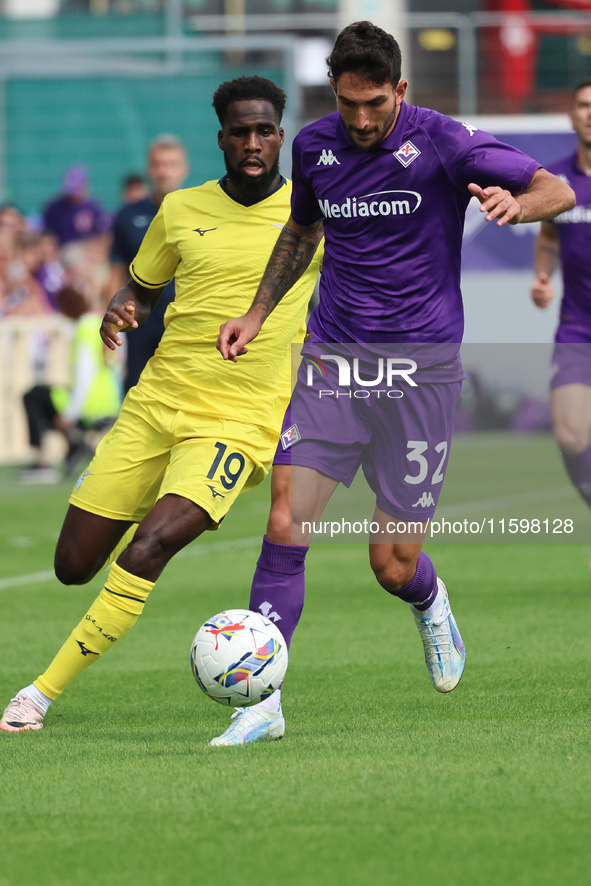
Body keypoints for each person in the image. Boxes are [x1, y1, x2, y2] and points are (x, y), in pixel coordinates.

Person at [216, 21, 575, 746]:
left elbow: (555, 187)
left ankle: (430, 600)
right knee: (286, 520)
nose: (358, 119)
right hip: (333, 360)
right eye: (346, 104)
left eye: (373, 103)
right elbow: (301, 232)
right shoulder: (314, 147)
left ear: (399, 90)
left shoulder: (443, 139)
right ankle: (261, 701)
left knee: (391, 563)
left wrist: (517, 205)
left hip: (420, 373)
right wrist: (257, 312)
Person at [0, 76, 322, 735]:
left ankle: (37, 696)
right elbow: (142, 288)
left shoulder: (310, 216)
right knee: (72, 566)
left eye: (265, 131)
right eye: (240, 132)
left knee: (147, 549)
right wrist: (124, 308)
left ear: (281, 136)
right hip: (156, 406)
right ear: (222, 139)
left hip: (237, 424)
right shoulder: (180, 210)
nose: (253, 143)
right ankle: (156, 489)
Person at [530, 79, 591, 518]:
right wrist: (542, 277)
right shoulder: (557, 180)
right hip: (577, 328)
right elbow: (549, 236)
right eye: (584, 106)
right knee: (571, 435)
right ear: (571, 115)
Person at [108, 136, 189, 391]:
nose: (164, 171)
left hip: (187, 324)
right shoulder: (128, 215)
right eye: (158, 164)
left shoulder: (199, 212)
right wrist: (110, 324)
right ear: (149, 169)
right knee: (136, 395)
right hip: (139, 322)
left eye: (171, 164)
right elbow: (116, 273)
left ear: (184, 169)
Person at [20, 285, 122, 484]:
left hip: (90, 404)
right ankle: (71, 446)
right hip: (110, 400)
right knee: (45, 395)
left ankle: (42, 461)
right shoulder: (100, 324)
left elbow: (85, 376)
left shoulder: (84, 329)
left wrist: (69, 414)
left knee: (33, 396)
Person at [43, 164, 111, 248]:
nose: (73, 195)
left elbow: (102, 234)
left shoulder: (93, 208)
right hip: (60, 251)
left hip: (87, 251)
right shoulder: (54, 208)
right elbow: (46, 233)